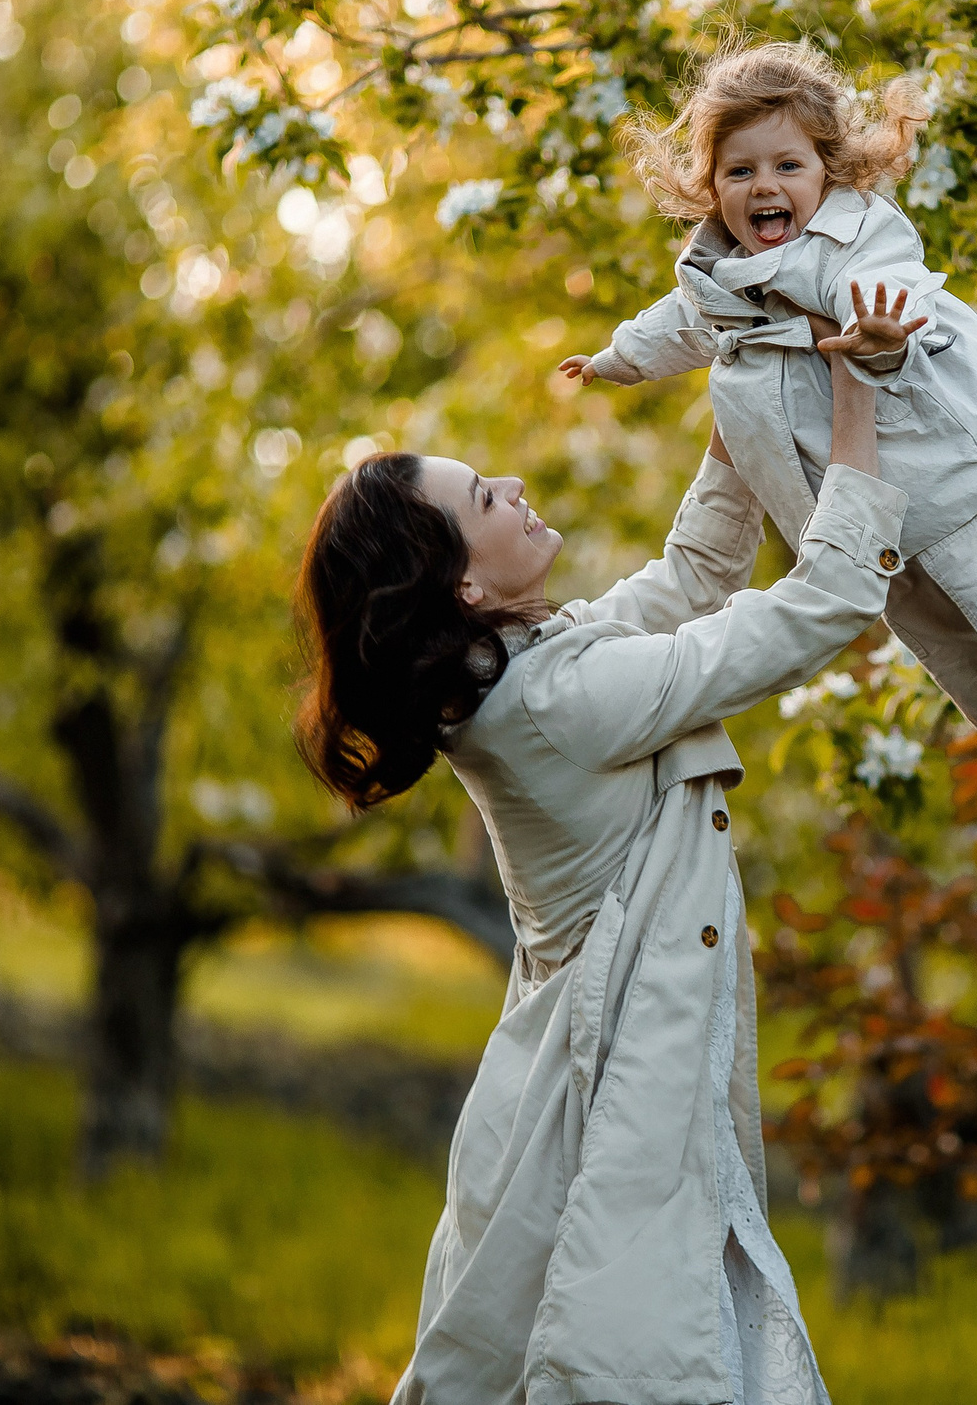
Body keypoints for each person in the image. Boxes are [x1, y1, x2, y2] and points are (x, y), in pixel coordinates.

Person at [296, 315, 910, 1405]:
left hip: (592, 1068)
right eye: (486, 498)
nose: (516, 485)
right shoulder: (561, 703)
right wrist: (855, 399)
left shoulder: (523, 668)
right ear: (465, 588)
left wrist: (742, 385)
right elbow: (820, 604)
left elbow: (691, 574)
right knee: (632, 1353)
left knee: (584, 1345)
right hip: (613, 1083)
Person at [560, 37, 977, 938]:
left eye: (787, 165)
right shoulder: (715, 282)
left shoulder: (857, 233)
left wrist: (881, 334)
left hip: (951, 479)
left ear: (828, 170)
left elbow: (892, 295)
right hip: (867, 522)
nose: (766, 188)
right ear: (708, 186)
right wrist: (614, 361)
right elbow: (673, 326)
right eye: (741, 169)